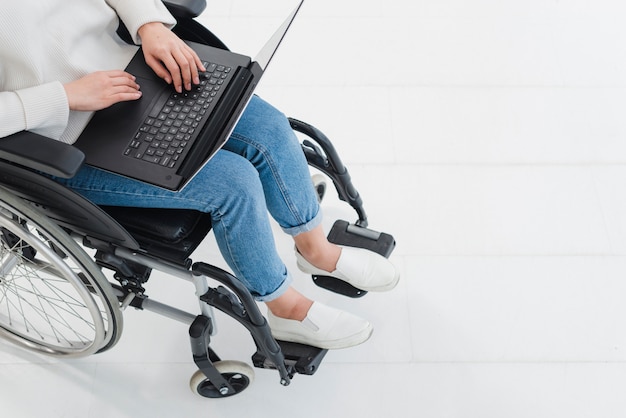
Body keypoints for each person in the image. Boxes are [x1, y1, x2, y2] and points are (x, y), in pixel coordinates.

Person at [0, 0, 399, 350]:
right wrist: (65, 97)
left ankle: (317, 252)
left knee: (270, 129)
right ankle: (286, 310)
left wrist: (149, 25)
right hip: (63, 140)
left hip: (131, 73)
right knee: (233, 182)